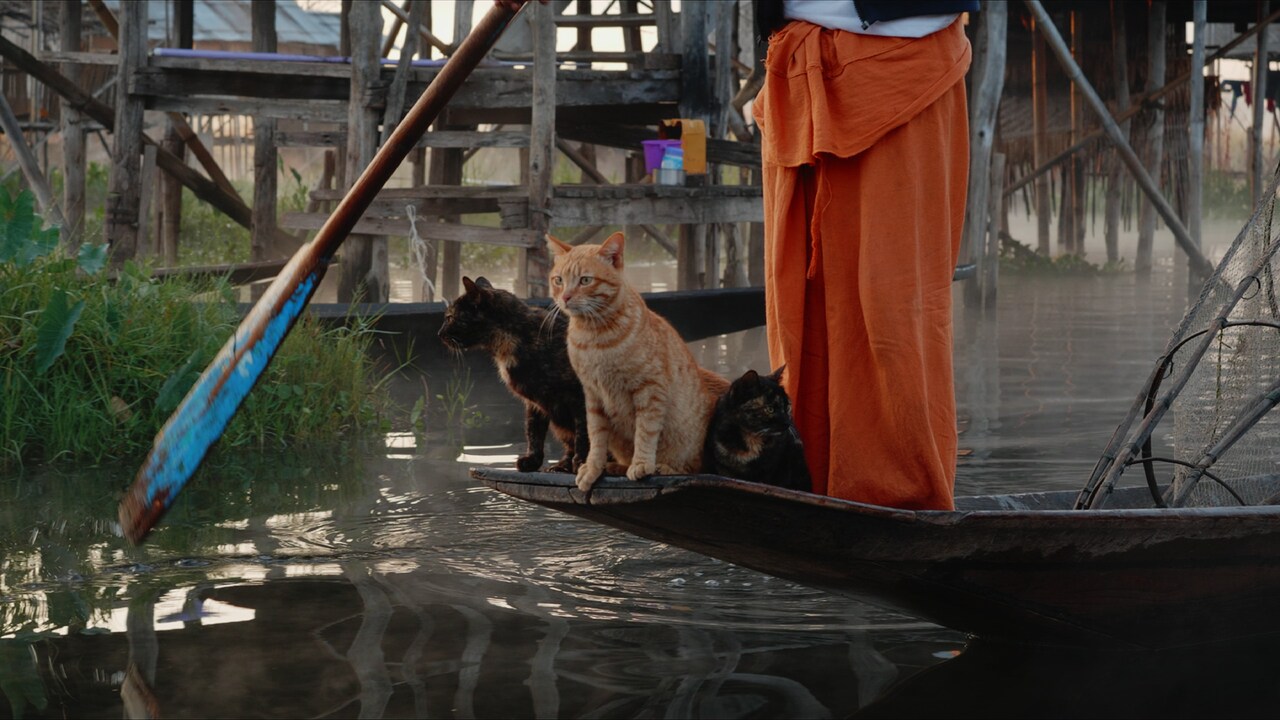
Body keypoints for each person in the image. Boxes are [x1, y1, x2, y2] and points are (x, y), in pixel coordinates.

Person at [752, 0, 978, 511]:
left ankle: (895, 490)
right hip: (801, 62)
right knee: (797, 297)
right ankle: (804, 473)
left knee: (890, 301)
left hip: (905, 62)